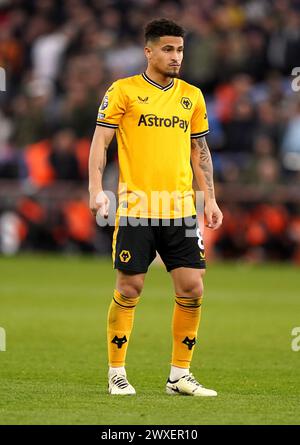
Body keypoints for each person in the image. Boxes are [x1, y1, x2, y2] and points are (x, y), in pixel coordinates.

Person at [88, 18, 223, 396]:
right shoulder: (123, 91)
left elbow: (200, 151)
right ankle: (117, 372)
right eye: (167, 48)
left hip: (180, 208)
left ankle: (179, 375)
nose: (176, 56)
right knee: (130, 288)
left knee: (193, 288)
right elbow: (101, 142)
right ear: (148, 51)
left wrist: (209, 198)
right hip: (137, 205)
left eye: (180, 49)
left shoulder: (191, 96)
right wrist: (96, 189)